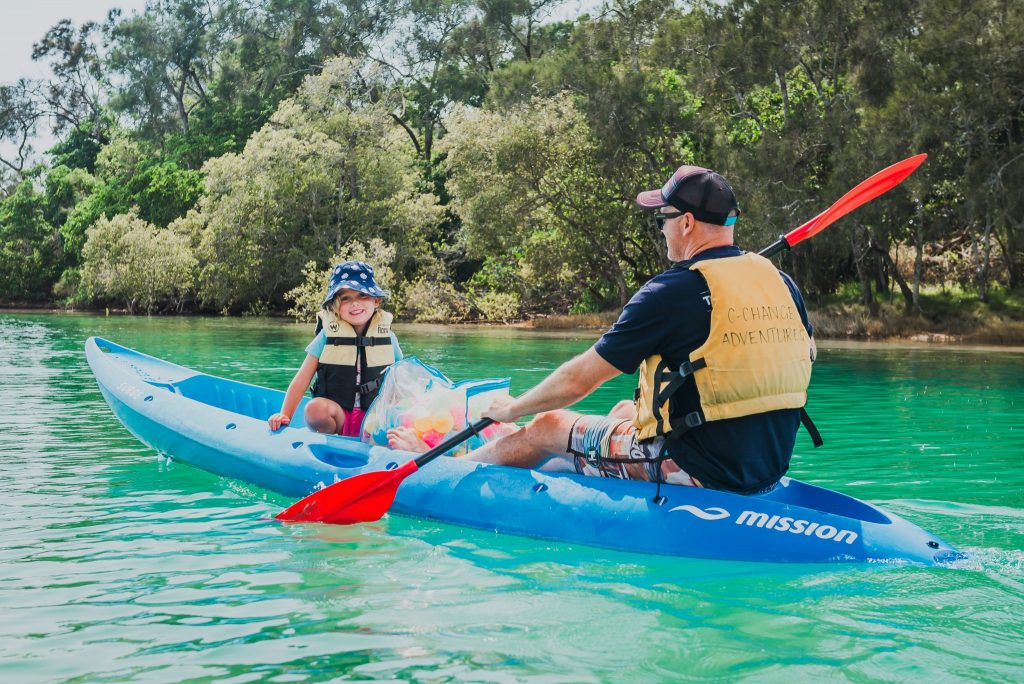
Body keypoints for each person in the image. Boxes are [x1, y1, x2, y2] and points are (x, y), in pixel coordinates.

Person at [469, 165, 819, 495]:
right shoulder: (780, 282)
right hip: (768, 466)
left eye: (660, 220)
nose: (661, 230)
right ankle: (574, 462)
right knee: (626, 411)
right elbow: (804, 354)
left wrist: (512, 410)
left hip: (701, 469)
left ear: (685, 223)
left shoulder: (668, 293)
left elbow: (579, 380)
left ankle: (454, 469)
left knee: (547, 425)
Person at [268, 261, 403, 437]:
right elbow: (302, 379)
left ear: (376, 301)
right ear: (334, 305)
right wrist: (285, 414)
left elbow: (402, 377)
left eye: (362, 295)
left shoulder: (388, 337)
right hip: (340, 417)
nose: (355, 304)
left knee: (402, 410)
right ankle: (331, 440)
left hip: (374, 418)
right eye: (346, 298)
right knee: (314, 409)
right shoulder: (326, 336)